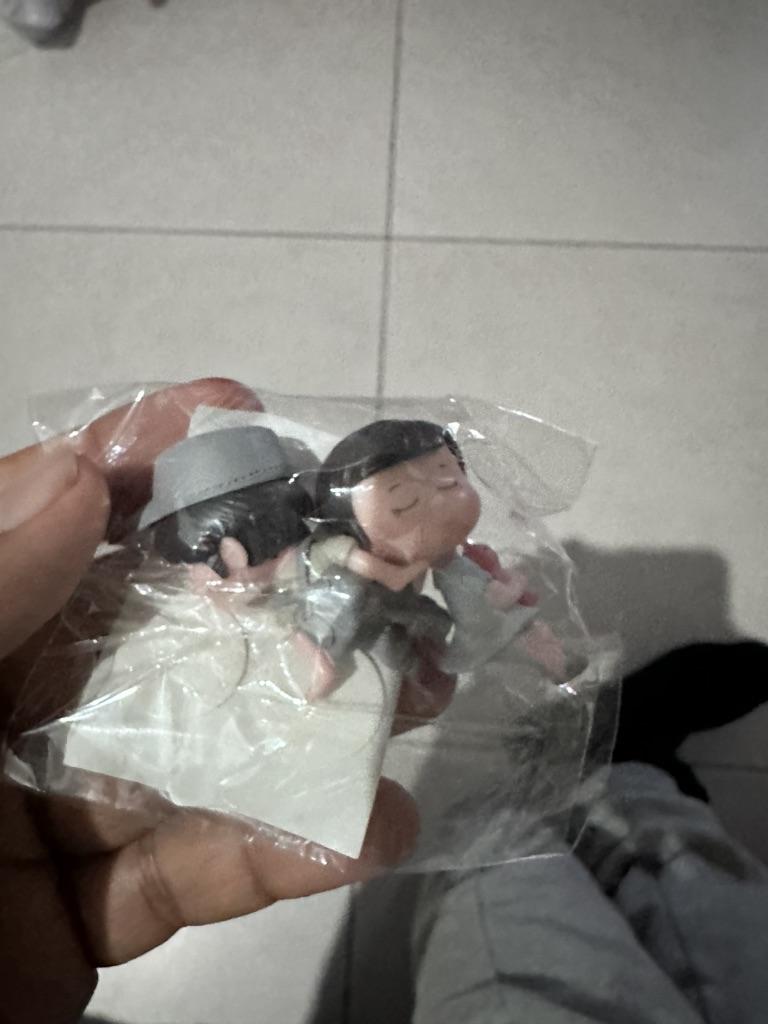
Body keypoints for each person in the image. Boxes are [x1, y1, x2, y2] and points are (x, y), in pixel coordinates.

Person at [0, 379, 431, 1024]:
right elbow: (113, 721)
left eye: (242, 555)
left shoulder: (321, 586)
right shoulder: (148, 626)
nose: (222, 579)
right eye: (203, 562)